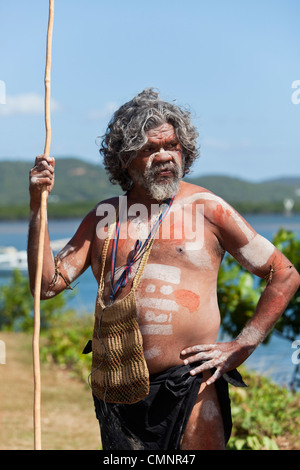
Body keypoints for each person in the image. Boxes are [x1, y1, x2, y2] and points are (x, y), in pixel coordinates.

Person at [27, 88, 300, 450]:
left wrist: (240, 347)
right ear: (125, 160)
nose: (164, 157)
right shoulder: (103, 218)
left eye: (171, 146)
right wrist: (36, 207)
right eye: (149, 150)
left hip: (190, 386)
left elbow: (284, 273)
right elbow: (46, 285)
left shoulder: (207, 208)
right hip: (117, 386)